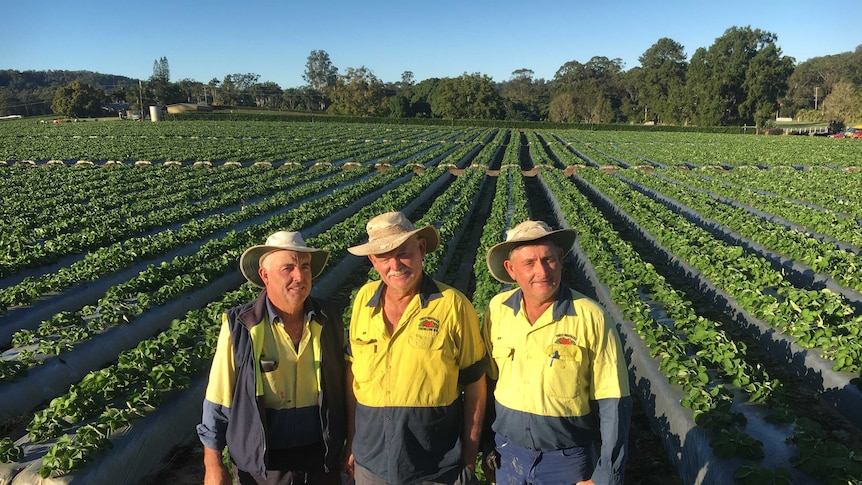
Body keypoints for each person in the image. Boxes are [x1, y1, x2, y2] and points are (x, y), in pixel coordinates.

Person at [481, 220, 632, 485]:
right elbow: (488, 383)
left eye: (548, 259)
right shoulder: (497, 309)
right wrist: (487, 446)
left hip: (567, 460)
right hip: (509, 455)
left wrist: (605, 475)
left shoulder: (591, 316)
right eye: (529, 263)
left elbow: (614, 403)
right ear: (511, 269)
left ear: (560, 259)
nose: (542, 271)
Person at [343, 211, 487, 485]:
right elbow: (353, 375)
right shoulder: (363, 300)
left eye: (403, 253)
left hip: (435, 467)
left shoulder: (453, 305)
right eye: (384, 257)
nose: (395, 264)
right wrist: (352, 441)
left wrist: (469, 457)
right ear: (373, 261)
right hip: (370, 465)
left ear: (421, 249)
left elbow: (475, 384)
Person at [196, 230, 346, 485]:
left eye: (305, 267)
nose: (299, 276)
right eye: (288, 268)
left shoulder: (329, 319)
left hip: (321, 460)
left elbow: (348, 385)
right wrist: (212, 464)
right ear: (265, 275)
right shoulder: (240, 327)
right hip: (263, 465)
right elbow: (218, 402)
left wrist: (351, 442)